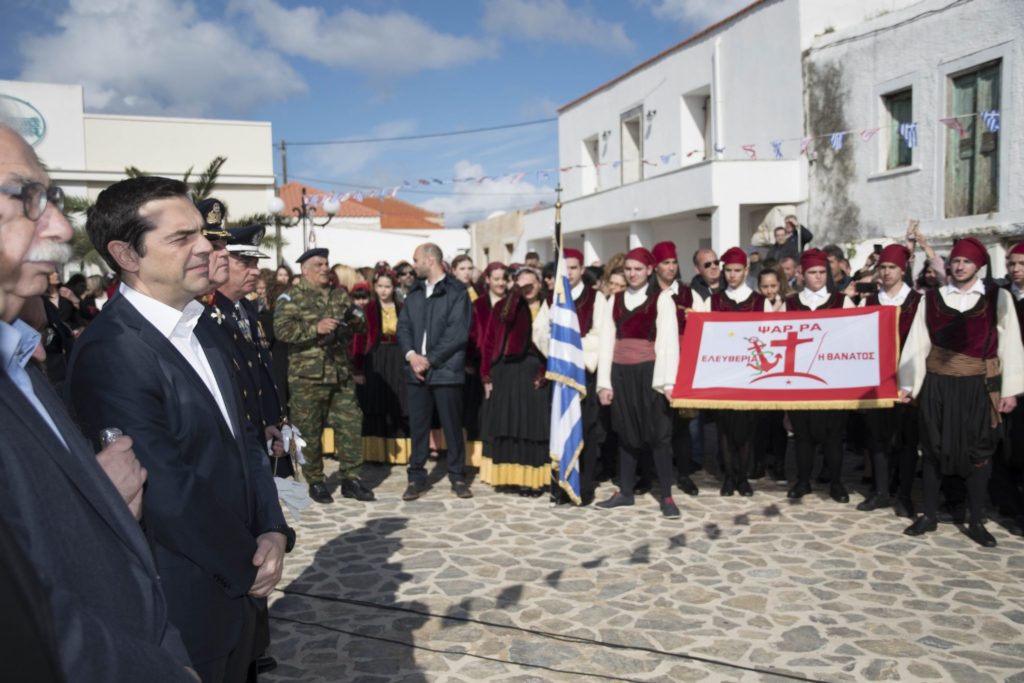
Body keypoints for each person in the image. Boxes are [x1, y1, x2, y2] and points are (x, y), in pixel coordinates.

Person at [65, 175, 294, 682]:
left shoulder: (207, 330)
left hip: (241, 601)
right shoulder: (113, 351)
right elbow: (166, 487)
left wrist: (274, 530)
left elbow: (247, 440)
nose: (205, 248)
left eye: (203, 234)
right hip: (184, 610)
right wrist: (249, 563)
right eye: (181, 238)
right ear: (126, 253)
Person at [0, 123, 199, 682]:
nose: (60, 228)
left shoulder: (21, 361)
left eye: (55, 201)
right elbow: (29, 621)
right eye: (28, 199)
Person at [899, 237, 1024, 547]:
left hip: (977, 387)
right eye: (955, 261)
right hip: (939, 384)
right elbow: (918, 343)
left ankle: (976, 519)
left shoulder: (998, 297)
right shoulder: (932, 299)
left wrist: (1010, 390)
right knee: (933, 447)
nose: (959, 266)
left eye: (966, 261)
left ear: (978, 266)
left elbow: (1010, 346)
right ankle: (928, 515)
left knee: (979, 449)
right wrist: (909, 385)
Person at [275, 248, 372, 504]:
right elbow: (281, 330)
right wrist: (314, 328)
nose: (325, 268)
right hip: (307, 377)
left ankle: (351, 478)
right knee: (309, 430)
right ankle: (315, 481)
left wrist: (356, 317)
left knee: (350, 425)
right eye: (318, 264)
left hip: (340, 373)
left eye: (327, 263)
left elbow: (361, 326)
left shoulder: (339, 296)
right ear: (305, 269)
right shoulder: (291, 297)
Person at [595, 247, 681, 518]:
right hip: (621, 373)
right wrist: (604, 383)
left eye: (638, 269)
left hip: (649, 372)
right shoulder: (615, 300)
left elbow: (668, 342)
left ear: (649, 270)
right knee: (625, 432)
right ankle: (626, 491)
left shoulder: (662, 299)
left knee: (659, 435)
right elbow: (606, 342)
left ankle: (666, 495)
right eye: (628, 269)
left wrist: (668, 382)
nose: (632, 274)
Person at [210, 224, 291, 480]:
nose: (256, 271)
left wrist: (270, 420)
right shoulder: (207, 313)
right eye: (245, 262)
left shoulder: (245, 308)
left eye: (256, 263)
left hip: (258, 433)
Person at [398, 242, 474, 501]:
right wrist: (411, 356)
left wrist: (428, 360)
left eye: (416, 259)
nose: (413, 264)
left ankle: (457, 476)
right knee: (418, 428)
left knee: (452, 426)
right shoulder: (415, 292)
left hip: (446, 371)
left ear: (430, 260)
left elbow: (456, 334)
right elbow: (404, 327)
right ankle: (416, 477)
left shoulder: (457, 292)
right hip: (416, 373)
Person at [784, 248, 855, 503]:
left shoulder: (842, 302)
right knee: (802, 434)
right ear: (802, 274)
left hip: (833, 377)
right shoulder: (790, 303)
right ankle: (803, 480)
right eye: (812, 272)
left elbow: (851, 339)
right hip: (800, 378)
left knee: (834, 435)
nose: (818, 277)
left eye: (822, 272)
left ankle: (836, 482)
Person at [534, 249, 604, 504]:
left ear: (582, 270)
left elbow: (600, 335)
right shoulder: (554, 299)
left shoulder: (596, 298)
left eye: (574, 268)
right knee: (560, 428)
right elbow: (540, 331)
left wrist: (572, 348)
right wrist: (558, 350)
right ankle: (561, 484)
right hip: (561, 376)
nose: (570, 273)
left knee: (586, 430)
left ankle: (583, 486)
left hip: (583, 374)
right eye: (566, 269)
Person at [856, 244, 920, 518]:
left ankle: (903, 494)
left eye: (892, 267)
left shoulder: (918, 301)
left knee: (906, 439)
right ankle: (881, 491)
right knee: (878, 438)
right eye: (883, 267)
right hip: (876, 379)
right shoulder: (869, 302)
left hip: (906, 379)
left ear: (902, 270)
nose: (886, 272)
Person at [480, 266, 550, 495]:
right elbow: (489, 341)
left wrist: (545, 371)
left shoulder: (550, 309)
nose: (527, 289)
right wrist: (486, 373)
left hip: (534, 372)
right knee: (507, 424)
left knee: (531, 427)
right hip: (506, 371)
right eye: (522, 285)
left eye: (531, 284)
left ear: (540, 285)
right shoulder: (504, 306)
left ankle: (531, 480)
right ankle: (507, 477)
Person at [709, 247, 773, 497]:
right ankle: (728, 475)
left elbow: (767, 335)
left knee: (747, 427)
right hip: (723, 369)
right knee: (724, 426)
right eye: (729, 271)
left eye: (737, 270)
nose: (732, 275)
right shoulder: (714, 300)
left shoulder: (759, 301)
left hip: (750, 371)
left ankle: (742, 477)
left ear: (746, 271)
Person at [651, 241, 702, 497]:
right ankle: (651, 474)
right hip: (651, 363)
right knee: (655, 424)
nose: (671, 268)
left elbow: (704, 325)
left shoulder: (689, 294)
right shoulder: (648, 293)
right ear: (655, 266)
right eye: (665, 263)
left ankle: (683, 474)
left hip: (682, 364)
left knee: (682, 426)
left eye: (673, 263)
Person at [351, 267, 411, 464]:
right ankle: (375, 451)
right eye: (380, 286)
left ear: (394, 287)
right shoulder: (368, 309)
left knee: (399, 400)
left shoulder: (402, 308)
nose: (384, 291)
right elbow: (359, 338)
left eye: (388, 286)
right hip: (375, 357)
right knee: (375, 401)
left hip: (397, 356)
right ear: (374, 287)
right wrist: (358, 368)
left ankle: (400, 449)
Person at [465, 262, 508, 467]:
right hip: (480, 363)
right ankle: (479, 457)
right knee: (480, 411)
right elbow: (472, 334)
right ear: (488, 280)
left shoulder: (512, 302)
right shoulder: (479, 305)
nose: (500, 283)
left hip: (505, 365)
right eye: (496, 279)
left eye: (503, 279)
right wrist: (469, 360)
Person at [996, 242, 1024, 534]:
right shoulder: (1002, 296)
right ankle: (1007, 500)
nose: (1015, 269)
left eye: (1021, 264)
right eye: (1011, 263)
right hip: (1007, 381)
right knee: (1005, 445)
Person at [753, 268, 789, 483]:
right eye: (765, 286)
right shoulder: (755, 304)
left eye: (772, 286)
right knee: (759, 421)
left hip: (781, 368)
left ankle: (779, 464)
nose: (769, 291)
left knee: (778, 422)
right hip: (759, 367)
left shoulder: (788, 304)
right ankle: (758, 463)